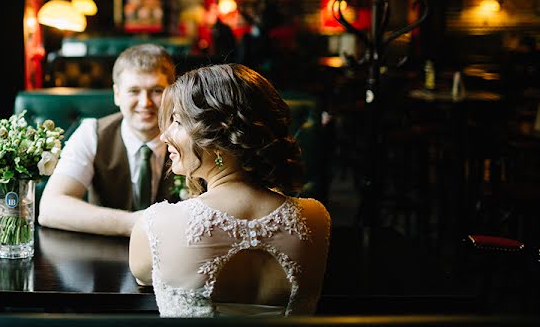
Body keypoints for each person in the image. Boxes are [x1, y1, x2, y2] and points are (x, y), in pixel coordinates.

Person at [129, 64, 331, 317]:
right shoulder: (315, 219)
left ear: (217, 138)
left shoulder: (155, 225)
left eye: (178, 122)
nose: (165, 135)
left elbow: (144, 276)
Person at [37, 44, 180, 237]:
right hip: (104, 256)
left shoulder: (192, 136)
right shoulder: (92, 133)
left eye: (156, 90)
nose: (145, 102)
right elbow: (50, 209)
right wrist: (134, 224)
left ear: (172, 94)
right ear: (117, 94)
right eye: (134, 91)